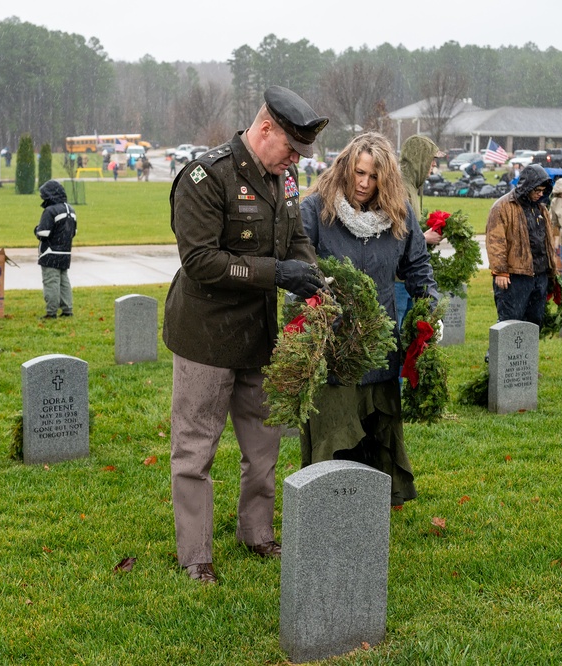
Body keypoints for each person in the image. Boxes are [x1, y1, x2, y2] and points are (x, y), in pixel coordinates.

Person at [162, 85, 328, 584]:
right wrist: (277, 273)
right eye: (290, 150)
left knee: (264, 447)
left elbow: (295, 237)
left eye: (301, 155)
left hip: (259, 336)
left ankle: (256, 533)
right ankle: (196, 556)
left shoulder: (283, 179)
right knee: (195, 451)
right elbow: (199, 260)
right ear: (264, 130)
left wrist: (312, 276)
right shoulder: (205, 177)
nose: (295, 162)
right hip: (205, 337)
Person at [300, 131, 440, 507]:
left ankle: (377, 500)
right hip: (334, 346)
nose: (363, 183)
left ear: (387, 179)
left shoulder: (400, 212)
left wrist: (430, 307)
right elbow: (298, 267)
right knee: (335, 426)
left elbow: (418, 266)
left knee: (378, 426)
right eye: (358, 172)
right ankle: (328, 501)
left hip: (381, 346)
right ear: (346, 167)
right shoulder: (316, 210)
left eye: (373, 176)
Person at [486, 164, 556, 326]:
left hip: (539, 274)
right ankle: (497, 353)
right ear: (527, 187)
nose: (540, 194)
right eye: (537, 190)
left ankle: (528, 353)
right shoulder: (502, 207)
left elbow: (546, 241)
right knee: (509, 323)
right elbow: (496, 241)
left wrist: (551, 272)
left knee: (534, 323)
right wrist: (500, 271)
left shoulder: (541, 208)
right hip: (514, 277)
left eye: (543, 191)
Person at [395, 134, 444, 326]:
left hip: (407, 279)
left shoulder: (412, 188)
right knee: (394, 338)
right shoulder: (400, 188)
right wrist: (424, 238)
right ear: (420, 159)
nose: (433, 166)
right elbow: (394, 237)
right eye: (432, 161)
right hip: (395, 280)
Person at [34, 180, 77, 319]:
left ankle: (51, 312)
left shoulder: (50, 210)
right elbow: (73, 232)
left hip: (50, 253)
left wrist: (36, 229)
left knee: (51, 282)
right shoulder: (70, 209)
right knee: (64, 282)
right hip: (65, 253)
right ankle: (67, 310)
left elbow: (43, 234)